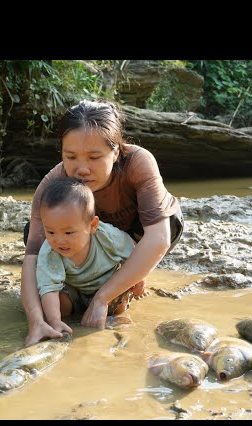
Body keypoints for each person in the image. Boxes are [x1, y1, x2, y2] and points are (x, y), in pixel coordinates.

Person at [22, 99, 184, 347]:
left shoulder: (138, 163)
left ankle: (124, 278)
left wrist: (102, 298)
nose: (81, 169)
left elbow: (159, 238)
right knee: (49, 228)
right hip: (84, 233)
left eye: (95, 157)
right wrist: (36, 321)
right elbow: (32, 256)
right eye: (71, 156)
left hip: (138, 232)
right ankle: (77, 281)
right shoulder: (53, 182)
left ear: (116, 151)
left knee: (164, 224)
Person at [36, 177, 136, 334]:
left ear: (93, 226)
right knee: (59, 302)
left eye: (69, 232)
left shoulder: (107, 237)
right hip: (75, 290)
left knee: (121, 302)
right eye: (50, 232)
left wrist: (140, 280)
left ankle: (113, 318)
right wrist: (54, 320)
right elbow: (49, 289)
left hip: (108, 287)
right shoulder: (50, 251)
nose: (59, 240)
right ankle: (68, 320)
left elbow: (135, 253)